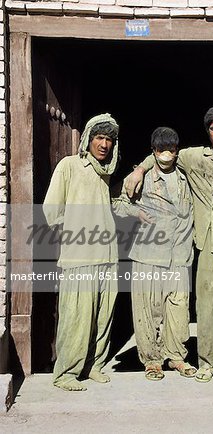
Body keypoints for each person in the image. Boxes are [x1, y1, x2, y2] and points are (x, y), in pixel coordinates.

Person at [125, 106, 213, 384]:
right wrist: (140, 170)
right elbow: (162, 154)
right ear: (208, 131)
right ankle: (207, 364)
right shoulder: (195, 157)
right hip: (205, 245)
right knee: (206, 309)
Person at [43, 113, 120, 391]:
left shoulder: (106, 172)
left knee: (103, 317)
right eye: (99, 138)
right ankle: (65, 373)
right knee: (76, 318)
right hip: (79, 258)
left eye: (109, 139)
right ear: (88, 138)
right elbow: (51, 210)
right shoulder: (69, 165)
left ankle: (94, 366)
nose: (104, 144)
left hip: (108, 257)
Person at [113, 127, 196, 381]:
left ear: (177, 151)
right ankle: (152, 360)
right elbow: (115, 200)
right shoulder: (140, 178)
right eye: (161, 151)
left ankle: (177, 357)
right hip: (147, 252)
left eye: (171, 150)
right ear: (154, 151)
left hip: (180, 252)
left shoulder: (188, 176)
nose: (166, 155)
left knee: (179, 308)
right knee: (148, 309)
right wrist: (134, 213)